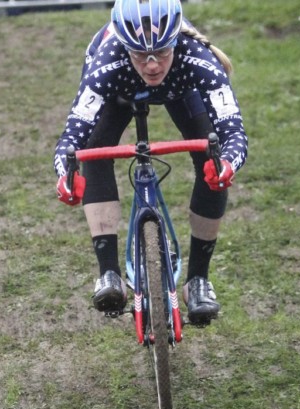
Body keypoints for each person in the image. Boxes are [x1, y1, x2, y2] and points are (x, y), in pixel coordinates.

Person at [53, 0, 248, 324]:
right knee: (92, 151)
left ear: (175, 42)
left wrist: (227, 163)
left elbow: (234, 133)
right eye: (141, 55)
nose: (153, 65)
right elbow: (70, 140)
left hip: (181, 90)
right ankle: (109, 274)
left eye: (161, 53)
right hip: (120, 91)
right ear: (125, 47)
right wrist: (66, 174)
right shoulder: (108, 61)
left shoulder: (197, 58)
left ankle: (198, 281)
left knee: (210, 158)